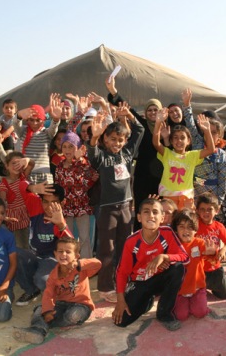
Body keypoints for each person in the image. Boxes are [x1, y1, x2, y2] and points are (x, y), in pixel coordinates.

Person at [87, 105, 145, 303]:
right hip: (107, 210)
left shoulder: (128, 153)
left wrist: (128, 115)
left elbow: (140, 130)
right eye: (112, 139)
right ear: (105, 139)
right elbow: (92, 155)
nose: (117, 143)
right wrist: (94, 137)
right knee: (107, 249)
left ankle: (121, 280)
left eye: (120, 140)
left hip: (126, 207)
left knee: (124, 246)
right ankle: (105, 287)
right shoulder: (103, 157)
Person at [182, 88, 226, 262]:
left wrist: (220, 201)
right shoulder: (199, 145)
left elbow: (222, 178)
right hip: (197, 193)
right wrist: (187, 105)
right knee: (197, 226)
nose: (211, 134)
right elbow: (190, 125)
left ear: (220, 136)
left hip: (214, 198)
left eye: (215, 132)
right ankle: (195, 256)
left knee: (214, 229)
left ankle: (215, 258)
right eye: (208, 130)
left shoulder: (221, 154)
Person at [113, 198, 189, 331]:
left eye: (155, 212)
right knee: (121, 322)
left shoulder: (167, 233)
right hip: (140, 283)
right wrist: (120, 300)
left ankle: (164, 313)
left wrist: (164, 257)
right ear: (139, 217)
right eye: (146, 212)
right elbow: (122, 272)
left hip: (159, 279)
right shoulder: (131, 242)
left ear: (162, 217)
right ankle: (146, 301)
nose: (151, 216)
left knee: (178, 268)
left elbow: (185, 257)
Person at [12, 237, 102, 344]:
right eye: (60, 251)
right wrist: (47, 311)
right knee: (40, 310)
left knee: (74, 315)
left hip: (81, 305)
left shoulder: (82, 269)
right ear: (55, 254)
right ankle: (37, 331)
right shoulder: (53, 276)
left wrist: (79, 264)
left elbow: (98, 264)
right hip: (60, 305)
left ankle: (43, 326)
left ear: (76, 256)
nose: (63, 254)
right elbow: (48, 294)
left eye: (68, 252)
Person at [106, 78, 164, 231]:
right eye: (150, 110)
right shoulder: (142, 125)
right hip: (143, 175)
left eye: (155, 110)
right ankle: (139, 241)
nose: (153, 113)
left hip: (162, 177)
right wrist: (113, 91)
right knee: (142, 208)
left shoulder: (166, 127)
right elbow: (128, 109)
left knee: (159, 209)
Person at [14, 184, 74, 306]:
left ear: (62, 203)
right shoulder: (37, 209)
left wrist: (61, 225)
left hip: (51, 259)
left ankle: (55, 288)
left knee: (42, 281)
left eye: (54, 202)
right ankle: (31, 290)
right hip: (34, 255)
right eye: (45, 202)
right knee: (13, 253)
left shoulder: (60, 221)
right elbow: (19, 188)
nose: (49, 206)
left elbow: (72, 247)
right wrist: (31, 188)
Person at [153, 108, 214, 209]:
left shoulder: (193, 155)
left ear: (188, 141)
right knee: (168, 222)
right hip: (168, 196)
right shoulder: (167, 153)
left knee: (185, 223)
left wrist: (207, 131)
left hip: (186, 198)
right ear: (171, 141)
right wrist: (158, 123)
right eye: (175, 138)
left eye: (182, 137)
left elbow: (211, 149)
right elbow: (156, 143)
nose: (179, 140)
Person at [54, 131, 97, 259]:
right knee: (68, 239)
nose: (67, 150)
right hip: (66, 208)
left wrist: (79, 160)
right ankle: (70, 264)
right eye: (65, 146)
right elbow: (58, 187)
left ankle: (86, 266)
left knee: (84, 238)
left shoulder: (83, 163)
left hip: (82, 207)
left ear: (78, 147)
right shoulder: (59, 167)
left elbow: (91, 179)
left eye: (71, 146)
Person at [0, 151, 52, 250]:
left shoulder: (23, 176)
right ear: (6, 166)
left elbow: (31, 164)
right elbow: (2, 201)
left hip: (28, 215)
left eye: (19, 163)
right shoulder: (4, 184)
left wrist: (27, 160)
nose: (16, 166)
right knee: (21, 246)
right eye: (13, 163)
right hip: (15, 219)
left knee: (31, 243)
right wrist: (3, 216)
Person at [171, 209, 215, 321]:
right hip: (179, 291)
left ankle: (199, 303)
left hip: (197, 288)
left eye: (190, 227)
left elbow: (213, 261)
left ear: (195, 230)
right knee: (181, 316)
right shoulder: (173, 245)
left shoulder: (199, 243)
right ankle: (182, 304)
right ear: (176, 230)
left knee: (200, 313)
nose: (186, 230)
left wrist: (212, 253)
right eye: (181, 226)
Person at [13, 94, 63, 184]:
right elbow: (15, 124)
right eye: (31, 120)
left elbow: (54, 127)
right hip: (26, 173)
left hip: (44, 175)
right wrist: (19, 115)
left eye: (38, 120)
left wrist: (56, 119)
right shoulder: (22, 131)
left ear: (43, 121)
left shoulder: (47, 133)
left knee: (47, 198)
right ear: (27, 120)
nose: (34, 123)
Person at [195, 193, 226, 299]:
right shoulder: (194, 225)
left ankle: (214, 286)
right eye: (202, 209)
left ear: (217, 210)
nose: (206, 212)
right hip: (198, 268)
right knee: (193, 294)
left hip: (214, 267)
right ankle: (201, 286)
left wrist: (223, 251)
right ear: (197, 210)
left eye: (209, 209)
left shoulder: (219, 227)